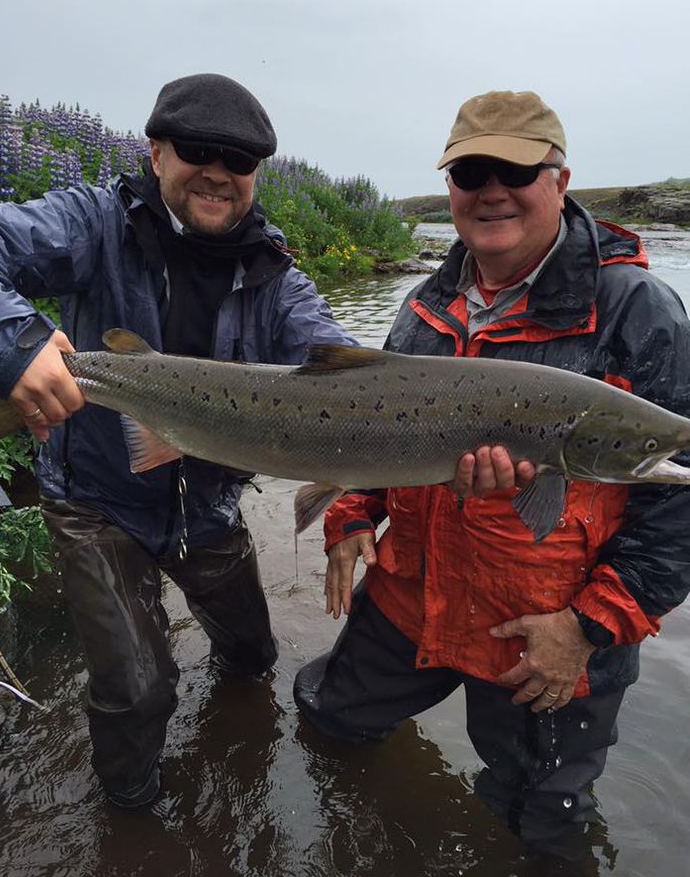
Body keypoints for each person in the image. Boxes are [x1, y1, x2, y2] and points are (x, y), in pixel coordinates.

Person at [294, 90, 690, 858]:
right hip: (412, 598)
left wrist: (585, 629)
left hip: (540, 628)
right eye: (471, 171)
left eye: (515, 168)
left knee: (538, 828)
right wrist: (347, 522)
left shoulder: (638, 311)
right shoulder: (422, 309)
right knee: (327, 721)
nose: (491, 189)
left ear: (559, 179)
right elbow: (364, 432)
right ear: (449, 189)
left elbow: (677, 507)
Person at [0, 73, 357, 808]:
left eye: (239, 159)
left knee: (252, 657)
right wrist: (13, 342)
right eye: (197, 150)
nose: (217, 170)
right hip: (97, 504)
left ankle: (237, 759)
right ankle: (132, 820)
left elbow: (338, 361)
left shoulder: (277, 277)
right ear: (156, 153)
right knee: (138, 690)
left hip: (206, 507)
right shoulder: (91, 223)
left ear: (256, 174)